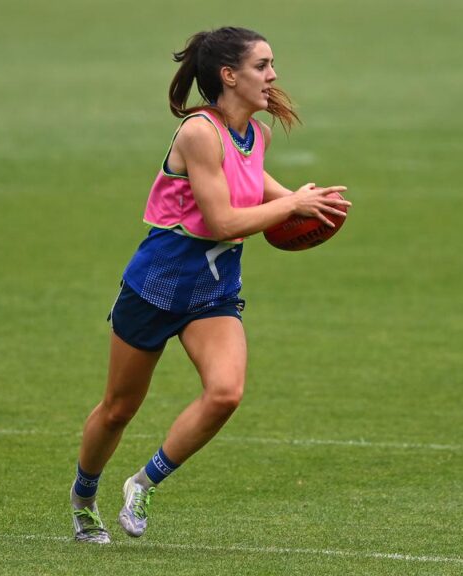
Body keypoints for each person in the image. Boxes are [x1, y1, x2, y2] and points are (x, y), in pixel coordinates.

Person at [70, 26, 350, 544]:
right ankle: (84, 499)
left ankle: (142, 483)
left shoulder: (255, 135)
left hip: (211, 292)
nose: (273, 75)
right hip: (156, 287)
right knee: (118, 408)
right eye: (262, 65)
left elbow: (258, 190)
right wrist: (292, 206)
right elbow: (222, 221)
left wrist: (307, 201)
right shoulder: (199, 133)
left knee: (225, 393)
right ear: (229, 75)